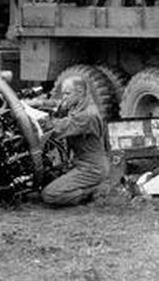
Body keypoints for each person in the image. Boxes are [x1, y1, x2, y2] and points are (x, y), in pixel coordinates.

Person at [40, 74, 109, 206]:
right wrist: (39, 103)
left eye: (67, 94)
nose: (64, 97)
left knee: (50, 194)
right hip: (80, 162)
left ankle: (95, 190)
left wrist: (39, 121)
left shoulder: (87, 115)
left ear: (80, 92)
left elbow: (57, 129)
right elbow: (59, 104)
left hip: (91, 168)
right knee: (47, 177)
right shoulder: (78, 103)